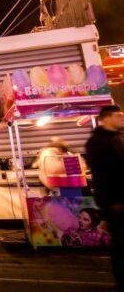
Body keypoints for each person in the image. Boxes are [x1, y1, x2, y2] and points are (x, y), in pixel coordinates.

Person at [85, 104, 124, 290]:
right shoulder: (98, 143)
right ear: (107, 118)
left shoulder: (116, 138)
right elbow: (103, 175)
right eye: (118, 115)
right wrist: (112, 201)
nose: (121, 118)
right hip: (116, 202)